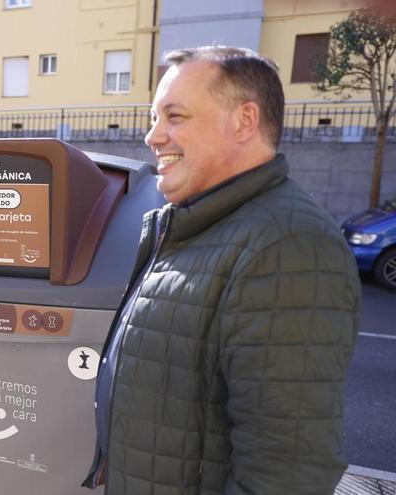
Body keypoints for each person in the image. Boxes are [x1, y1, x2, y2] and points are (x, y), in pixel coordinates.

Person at [83, 47, 361, 494]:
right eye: (154, 118)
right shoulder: (199, 226)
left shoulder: (286, 242)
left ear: (244, 121)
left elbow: (287, 470)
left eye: (174, 116)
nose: (153, 137)